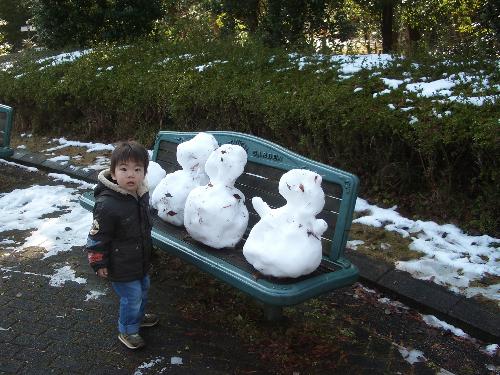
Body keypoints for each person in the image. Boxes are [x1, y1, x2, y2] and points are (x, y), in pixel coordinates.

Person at [86, 140, 158, 350]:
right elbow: (97, 237)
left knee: (144, 290)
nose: (131, 175)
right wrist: (98, 263)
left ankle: (138, 317)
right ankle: (128, 330)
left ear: (144, 172)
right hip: (120, 264)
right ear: (113, 172)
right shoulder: (107, 204)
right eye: (124, 169)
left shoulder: (141, 195)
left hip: (140, 259)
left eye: (137, 169)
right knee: (132, 297)